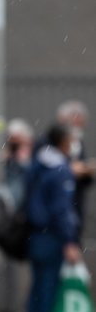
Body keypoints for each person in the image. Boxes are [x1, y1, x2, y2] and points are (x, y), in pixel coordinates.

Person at [23, 125, 82, 312]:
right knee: (48, 295)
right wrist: (69, 240)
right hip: (52, 239)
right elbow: (61, 210)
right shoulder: (60, 170)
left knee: (38, 295)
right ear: (63, 142)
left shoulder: (39, 165)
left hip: (37, 237)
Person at [56, 100, 95, 235]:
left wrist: (86, 170)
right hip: (61, 204)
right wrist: (72, 169)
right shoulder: (52, 142)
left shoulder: (78, 142)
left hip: (75, 200)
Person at [3, 118, 35, 209]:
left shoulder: (37, 156)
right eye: (12, 143)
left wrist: (24, 159)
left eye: (18, 143)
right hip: (11, 206)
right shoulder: (8, 161)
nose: (15, 147)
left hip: (29, 209)